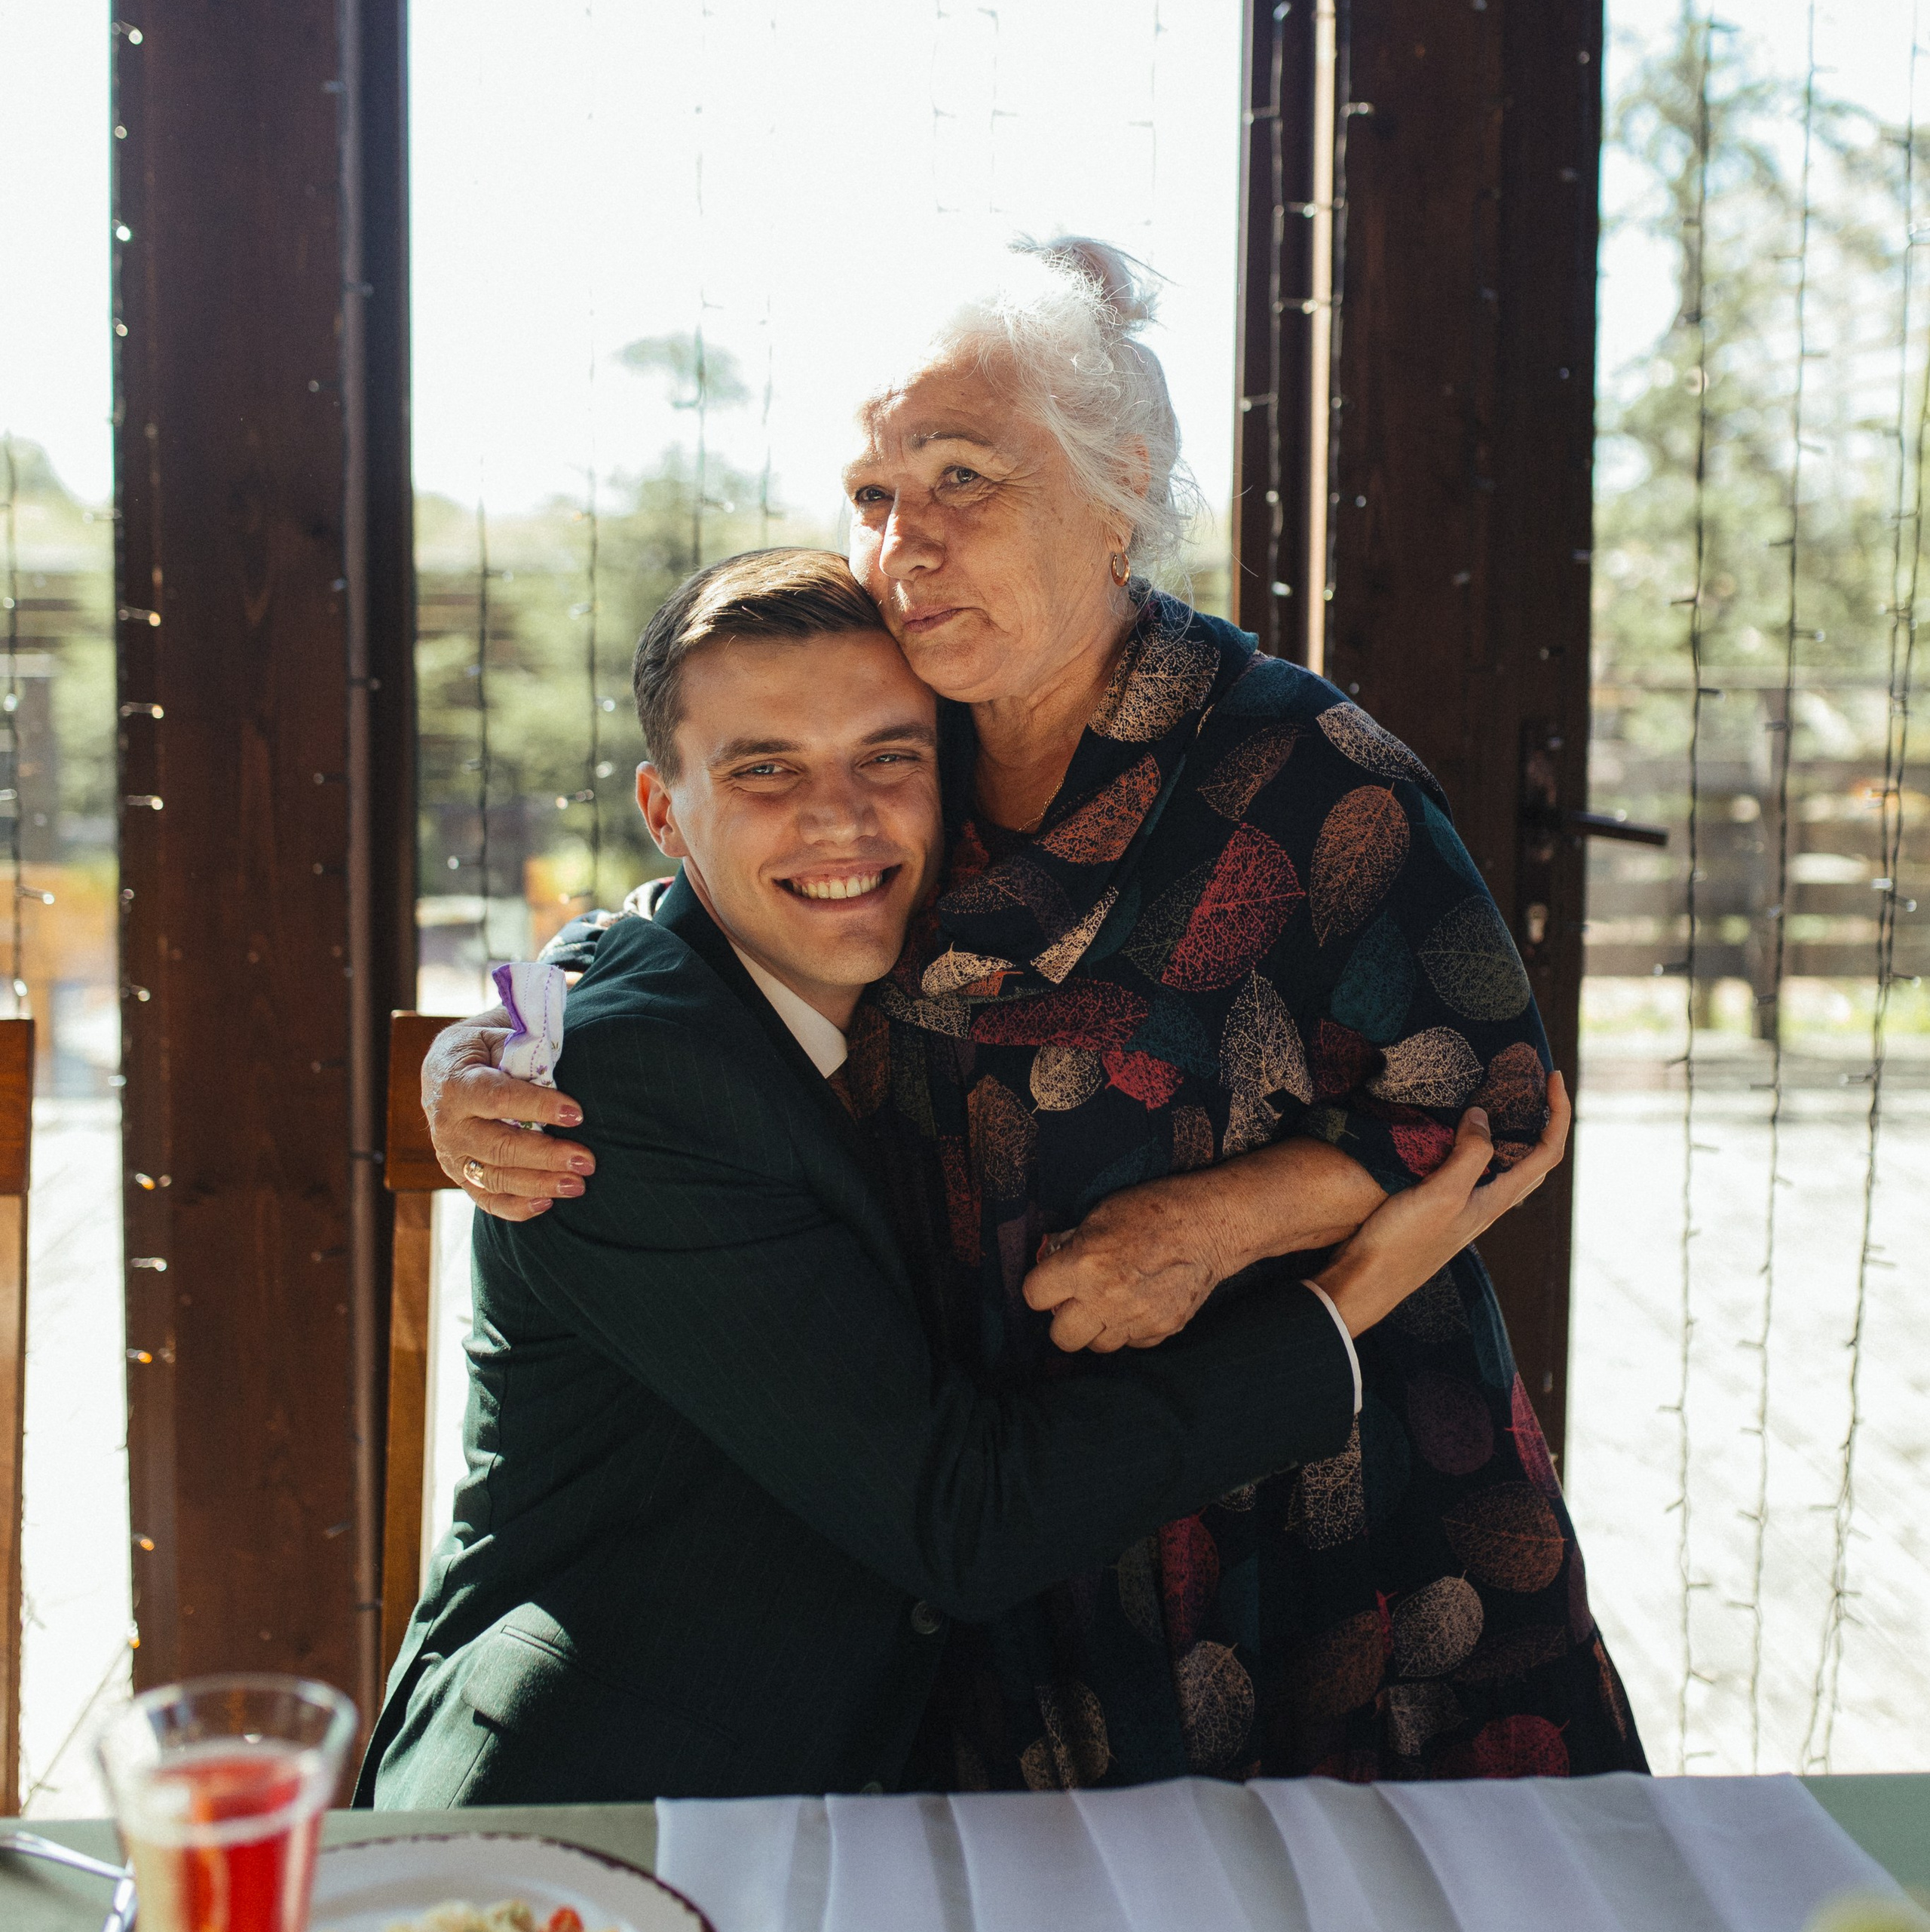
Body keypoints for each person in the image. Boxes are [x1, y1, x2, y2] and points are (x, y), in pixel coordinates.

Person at [427, 236, 1639, 1788]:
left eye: (961, 481)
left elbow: (1491, 1103)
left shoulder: (1300, 768)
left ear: (1119, 485)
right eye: (873, 498)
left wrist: (1212, 1226)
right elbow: (683, 896)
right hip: (996, 1522)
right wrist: (488, 1045)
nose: (904, 545)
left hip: (1296, 1498)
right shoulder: (905, 735)